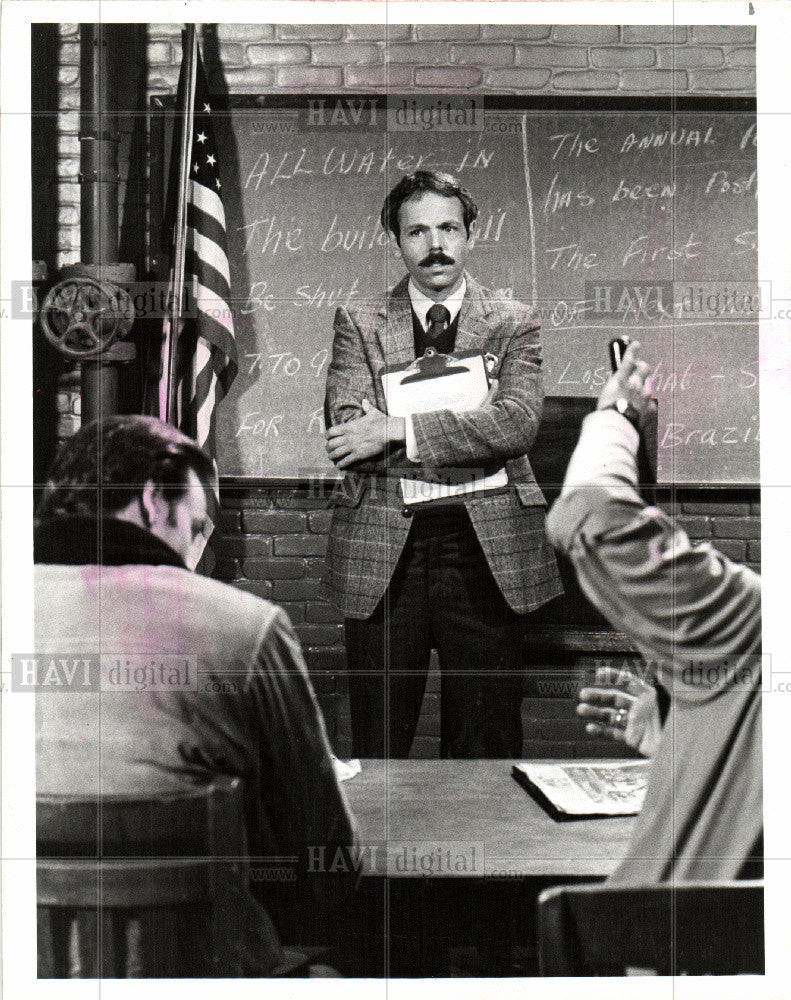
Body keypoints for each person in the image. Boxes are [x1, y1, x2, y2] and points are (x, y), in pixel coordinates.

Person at [34, 415, 358, 970]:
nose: (197, 552)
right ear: (152, 501)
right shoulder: (247, 627)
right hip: (206, 968)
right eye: (197, 526)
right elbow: (323, 854)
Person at [323, 170, 562, 758]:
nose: (435, 244)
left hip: (485, 547)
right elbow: (349, 433)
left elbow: (515, 425)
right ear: (396, 242)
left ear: (469, 235)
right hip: (386, 547)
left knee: (485, 742)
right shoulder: (359, 322)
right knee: (379, 740)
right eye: (417, 231)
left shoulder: (514, 321)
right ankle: (375, 854)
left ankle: (483, 851)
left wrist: (398, 428)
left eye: (449, 228)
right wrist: (467, 426)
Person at [546, 342, 762, 882]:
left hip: (679, 954)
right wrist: (683, 737)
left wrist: (615, 417)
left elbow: (591, 516)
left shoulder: (757, 626)